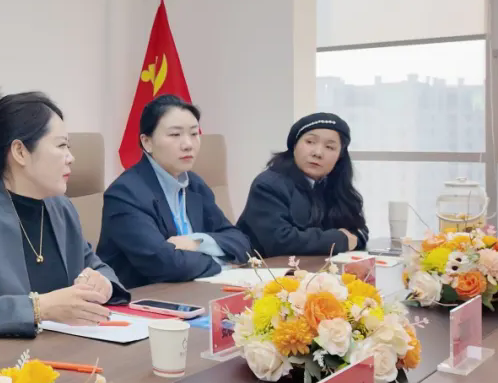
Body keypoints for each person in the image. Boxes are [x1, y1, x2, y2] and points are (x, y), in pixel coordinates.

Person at [0, 86, 130, 337]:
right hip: (1, 357)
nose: (71, 158)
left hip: (67, 350)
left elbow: (96, 266)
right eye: (61, 146)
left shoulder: (61, 208)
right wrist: (40, 308)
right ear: (20, 152)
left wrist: (104, 284)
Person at [98, 95, 251, 286]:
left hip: (194, 290)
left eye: (194, 133)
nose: (188, 144)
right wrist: (222, 261)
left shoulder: (194, 184)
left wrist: (196, 242)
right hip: (146, 297)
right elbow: (164, 264)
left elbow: (240, 242)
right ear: (147, 142)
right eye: (175, 135)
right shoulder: (125, 193)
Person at [237, 112, 369, 257]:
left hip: (315, 267)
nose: (318, 153)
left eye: (329, 147)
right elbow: (280, 242)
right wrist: (340, 240)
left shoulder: (333, 185)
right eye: (310, 142)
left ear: (340, 156)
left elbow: (359, 231)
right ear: (294, 145)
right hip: (266, 268)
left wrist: (352, 238)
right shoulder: (268, 185)